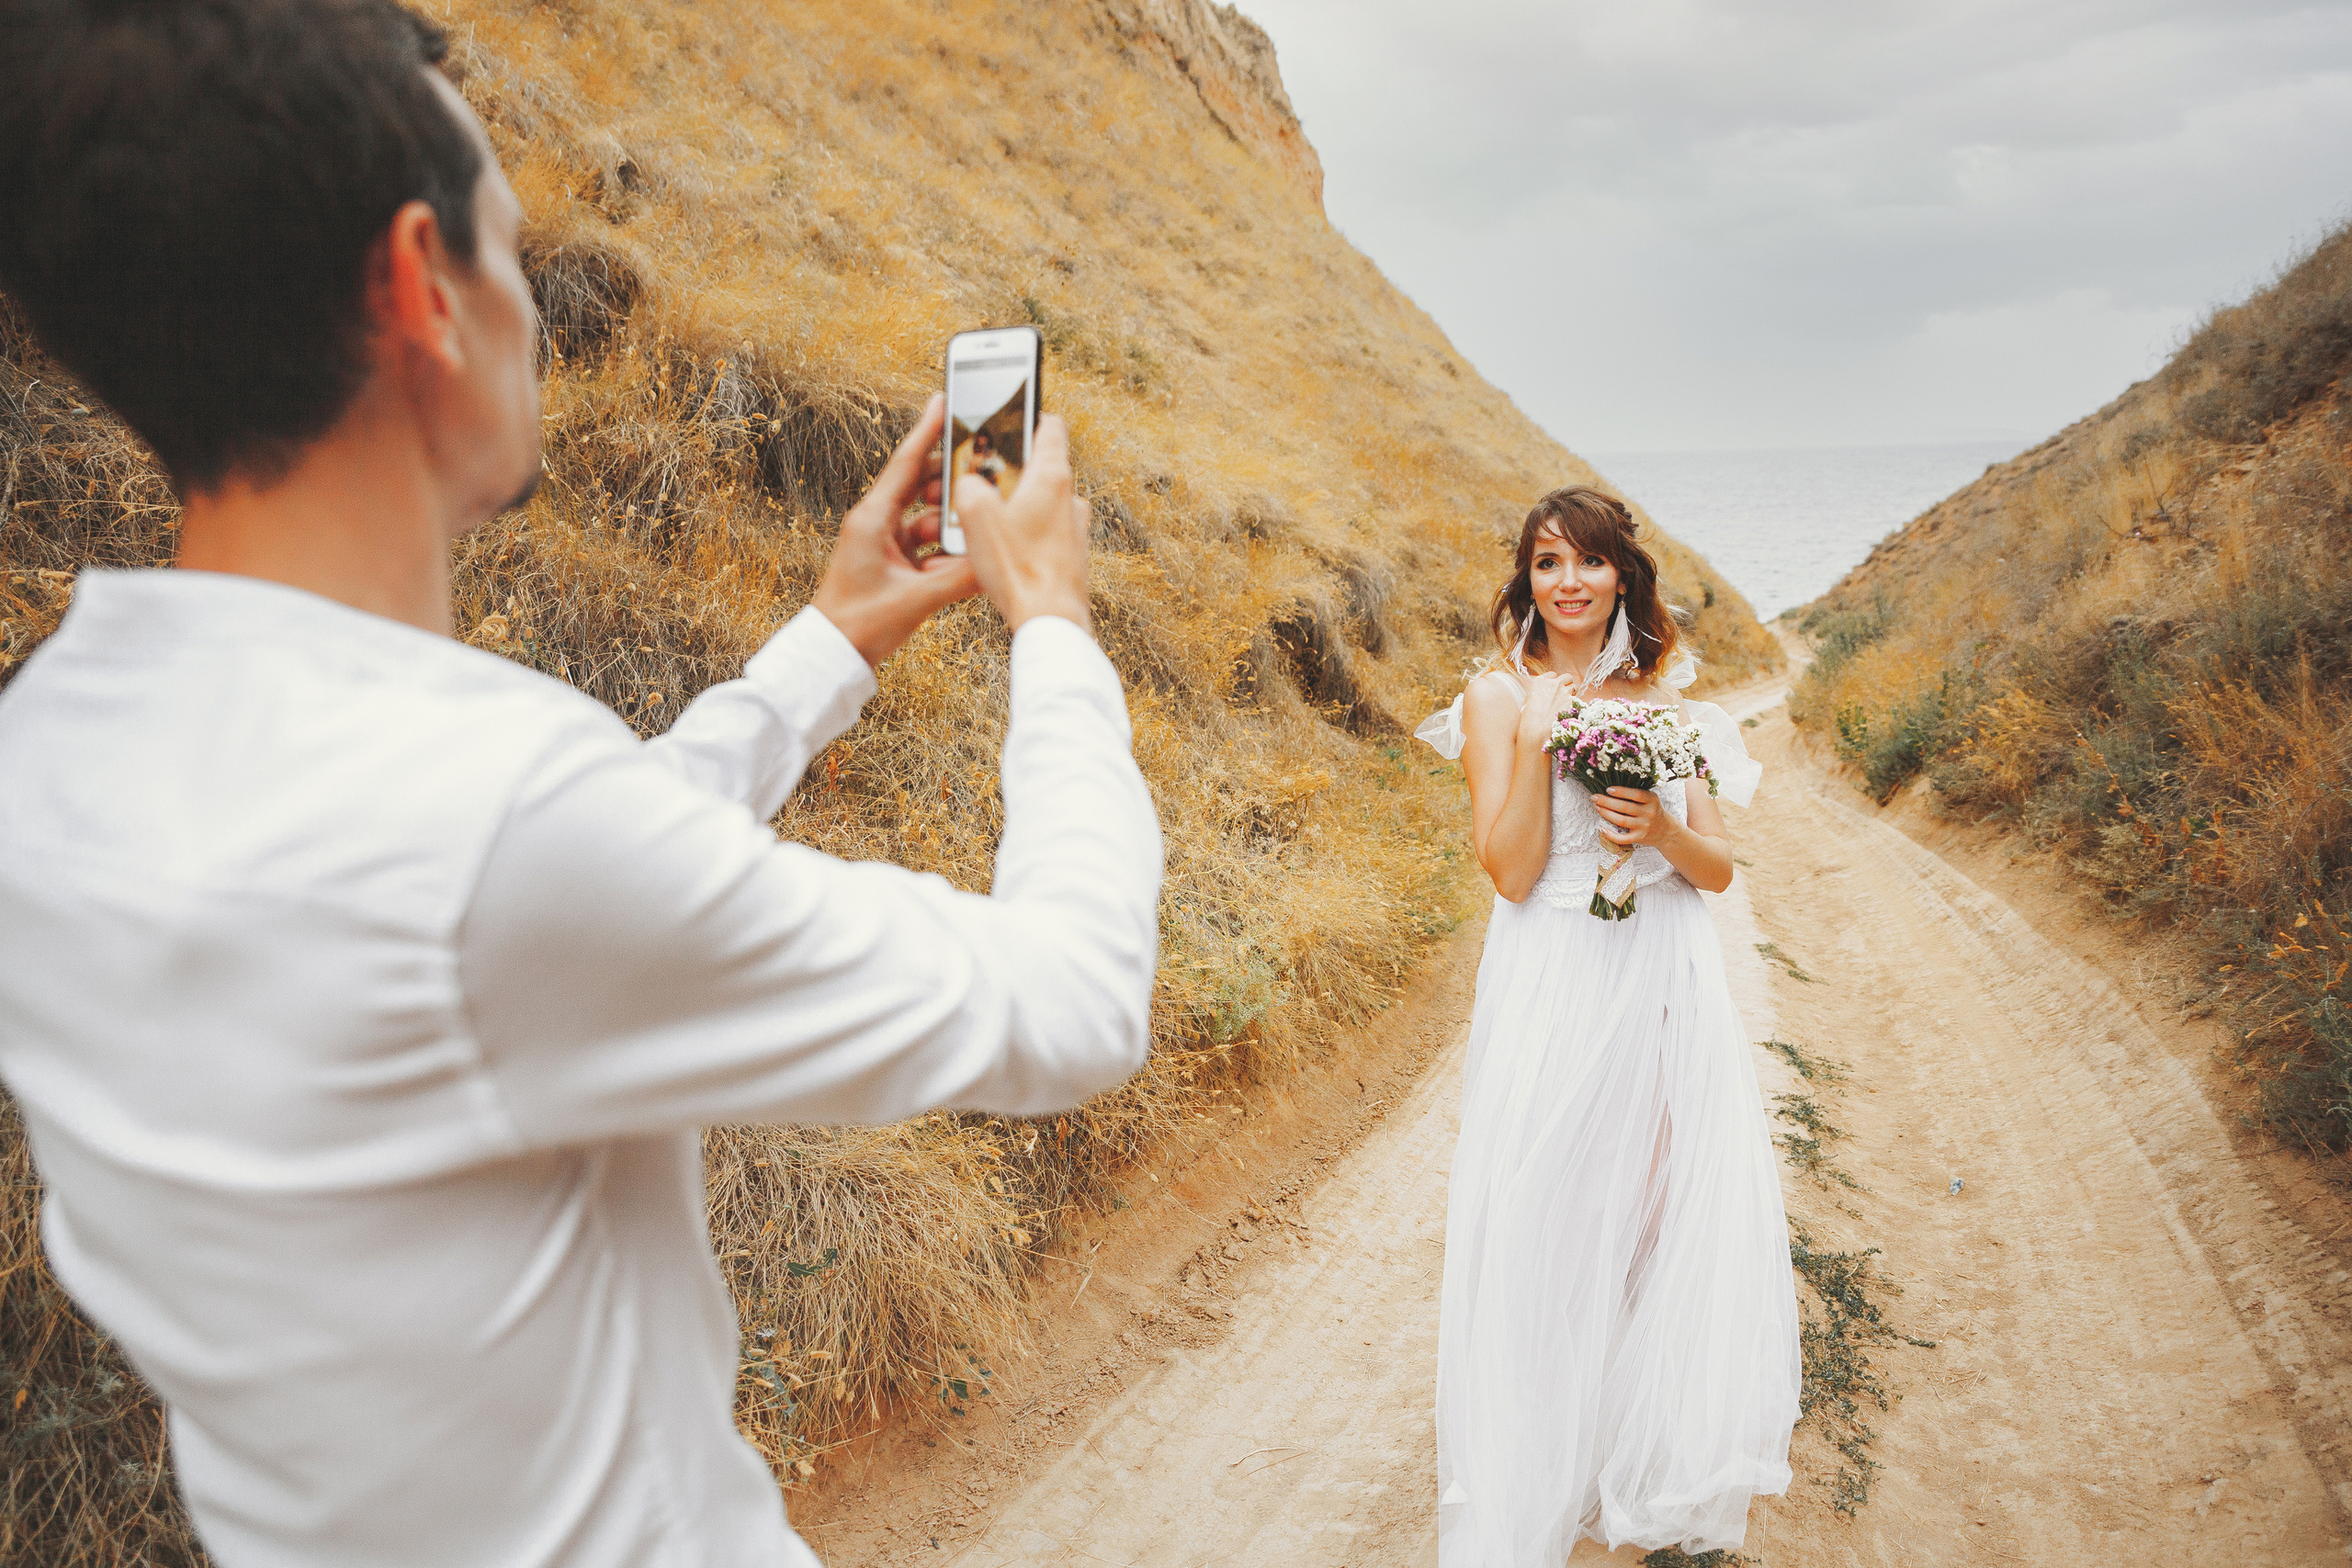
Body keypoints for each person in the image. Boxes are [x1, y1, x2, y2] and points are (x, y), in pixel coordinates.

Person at [0, 4, 1160, 1566]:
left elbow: (542, 883)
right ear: (424, 286)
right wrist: (1058, 627)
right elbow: (1076, 998)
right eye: (508, 246)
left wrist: (833, 638)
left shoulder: (51, 745)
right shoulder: (488, 822)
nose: (533, 308)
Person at [1414, 487, 1798, 1562]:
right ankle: (1543, 1464)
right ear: (1526, 583)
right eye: (1545, 564)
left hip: (1661, 972)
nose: (1567, 582)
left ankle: (1660, 1471)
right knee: (1547, 1207)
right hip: (1555, 966)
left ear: (1623, 576)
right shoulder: (1499, 699)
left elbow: (1718, 872)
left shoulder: (1672, 708)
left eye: (1587, 562)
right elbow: (1511, 869)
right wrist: (1539, 744)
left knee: (1659, 1212)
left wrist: (1660, 829)